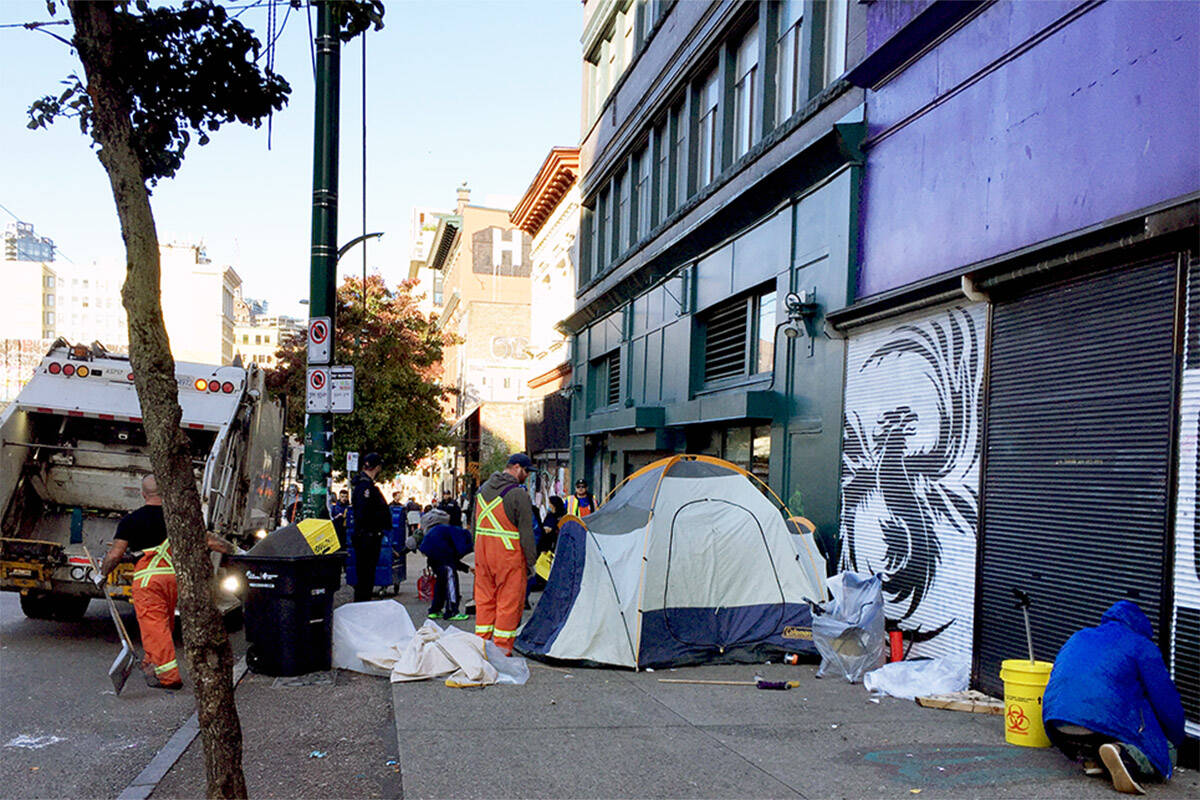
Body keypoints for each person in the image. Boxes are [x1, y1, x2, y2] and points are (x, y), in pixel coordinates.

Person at [98, 474, 231, 690]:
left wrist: (103, 574)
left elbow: (115, 555)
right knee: (164, 624)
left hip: (148, 581)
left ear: (143, 494)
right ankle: (152, 664)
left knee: (154, 627)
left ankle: (168, 677)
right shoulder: (181, 519)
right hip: (175, 580)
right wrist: (241, 553)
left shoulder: (131, 520)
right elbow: (214, 542)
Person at [1043, 600, 1185, 795]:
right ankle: (1125, 755)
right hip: (1096, 724)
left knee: (1108, 710)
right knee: (1166, 752)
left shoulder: (1079, 636)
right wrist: (1174, 738)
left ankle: (1091, 758)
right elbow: (1166, 702)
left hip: (1057, 725)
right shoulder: (1141, 645)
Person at [473, 453, 536, 655]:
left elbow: (474, 527)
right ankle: (501, 650)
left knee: (484, 602)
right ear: (516, 468)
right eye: (526, 471)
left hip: (483, 556)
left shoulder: (481, 491)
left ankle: (480, 647)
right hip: (509, 557)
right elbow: (527, 533)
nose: (527, 476)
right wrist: (531, 563)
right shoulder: (519, 494)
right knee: (508, 604)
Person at [417, 508, 473, 621]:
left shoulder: (444, 530)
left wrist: (467, 568)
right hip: (441, 554)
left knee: (441, 581)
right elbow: (454, 557)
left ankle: (435, 609)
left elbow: (452, 559)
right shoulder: (459, 533)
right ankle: (452, 611)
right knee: (451, 580)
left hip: (431, 554)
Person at [351, 452, 391, 603]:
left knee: (367, 575)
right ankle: (362, 604)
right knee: (365, 575)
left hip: (369, 535)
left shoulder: (365, 486)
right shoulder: (365, 487)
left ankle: (363, 602)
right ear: (377, 467)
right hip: (367, 536)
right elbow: (364, 513)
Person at [527, 495, 565, 596]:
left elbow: (547, 530)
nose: (549, 505)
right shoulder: (556, 515)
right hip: (550, 545)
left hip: (549, 545)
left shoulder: (554, 516)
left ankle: (542, 583)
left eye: (550, 504)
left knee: (543, 566)